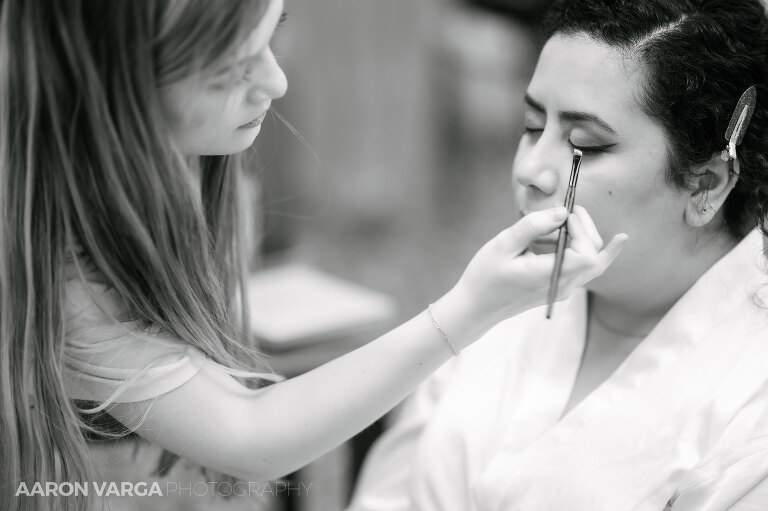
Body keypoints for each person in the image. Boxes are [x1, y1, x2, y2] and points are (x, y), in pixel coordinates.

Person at [0, 1, 627, 510]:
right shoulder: (64, 281)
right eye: (231, 69)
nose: (277, 82)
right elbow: (248, 439)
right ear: (124, 92)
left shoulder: (206, 171)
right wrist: (470, 308)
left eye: (275, 35)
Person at [348, 0, 768, 510]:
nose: (530, 169)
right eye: (530, 126)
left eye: (583, 147)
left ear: (705, 183)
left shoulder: (751, 400)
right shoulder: (495, 299)